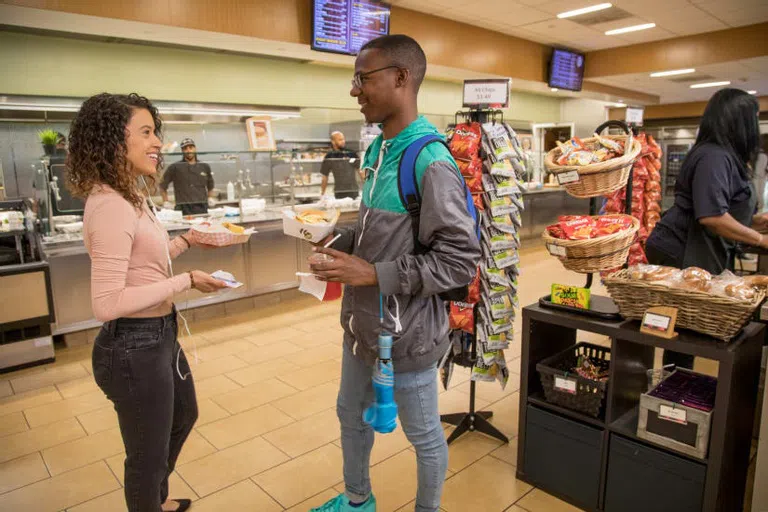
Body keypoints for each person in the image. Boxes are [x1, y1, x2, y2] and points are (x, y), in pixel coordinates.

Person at [309, 35, 481, 512]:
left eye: (363, 79)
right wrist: (338, 246)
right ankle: (358, 500)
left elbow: (459, 260)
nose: (354, 90)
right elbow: (372, 231)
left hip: (408, 337)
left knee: (423, 434)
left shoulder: (429, 160)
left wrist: (373, 274)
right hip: (362, 327)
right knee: (350, 415)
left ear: (401, 78)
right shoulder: (379, 151)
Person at [66, 93, 228, 512]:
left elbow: (145, 264)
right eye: (146, 132)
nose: (158, 142)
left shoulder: (132, 196)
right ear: (113, 142)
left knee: (183, 416)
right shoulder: (110, 206)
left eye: (156, 132)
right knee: (146, 455)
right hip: (133, 346)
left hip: (159, 334)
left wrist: (188, 240)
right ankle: (149, 501)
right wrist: (186, 281)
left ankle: (153, 499)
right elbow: (107, 302)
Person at [646, 88, 767, 368]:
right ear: (739, 121)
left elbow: (724, 212)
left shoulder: (723, 155)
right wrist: (760, 239)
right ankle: (672, 391)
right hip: (683, 247)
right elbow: (712, 217)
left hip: (698, 247)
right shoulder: (714, 156)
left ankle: (675, 386)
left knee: (684, 327)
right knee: (682, 329)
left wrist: (757, 221)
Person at [160, 137, 215, 215]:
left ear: (195, 149)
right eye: (185, 148)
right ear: (182, 151)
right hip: (182, 209)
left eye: (191, 147)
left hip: (202, 207)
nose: (188, 150)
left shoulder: (204, 166)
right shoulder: (175, 167)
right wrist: (165, 201)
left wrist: (210, 197)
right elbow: (162, 185)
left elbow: (210, 185)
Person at [320, 131, 361, 200]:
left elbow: (360, 171)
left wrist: (369, 189)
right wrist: (322, 194)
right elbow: (325, 177)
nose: (343, 141)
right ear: (333, 141)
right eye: (340, 140)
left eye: (343, 139)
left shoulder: (351, 153)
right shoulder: (329, 156)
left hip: (353, 191)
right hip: (339, 193)